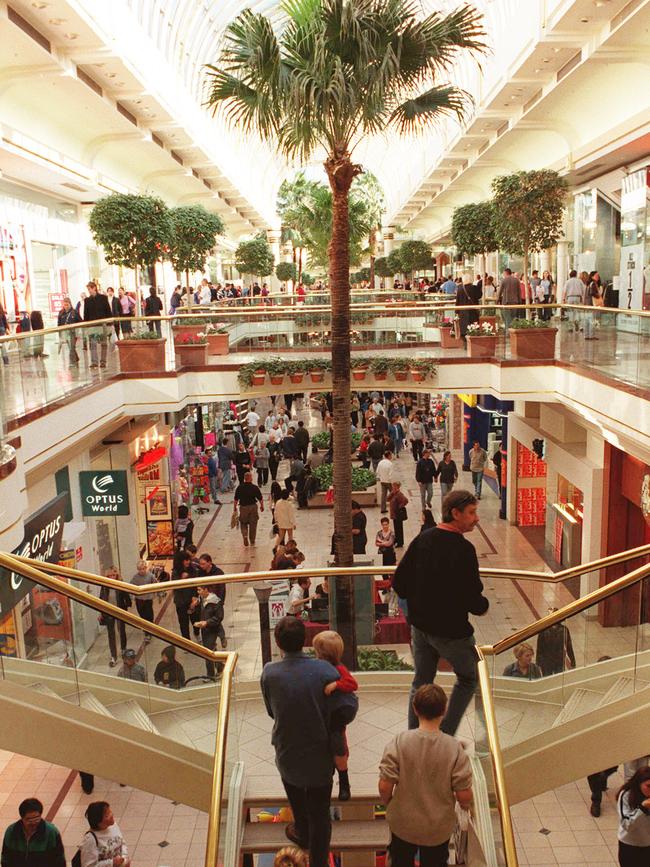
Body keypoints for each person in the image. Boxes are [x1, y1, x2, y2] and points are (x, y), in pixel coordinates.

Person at [260, 616, 355, 867]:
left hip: (287, 753)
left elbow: (272, 711)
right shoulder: (325, 671)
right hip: (320, 756)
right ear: (304, 641)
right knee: (320, 813)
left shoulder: (270, 673)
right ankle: (319, 861)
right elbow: (348, 706)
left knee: (298, 802)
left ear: (278, 642)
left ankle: (301, 829)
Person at [394, 490, 489, 733]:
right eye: (472, 513)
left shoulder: (424, 539)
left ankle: (415, 737)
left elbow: (400, 582)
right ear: (455, 513)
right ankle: (444, 736)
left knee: (421, 681)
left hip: (421, 628)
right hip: (451, 632)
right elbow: (472, 597)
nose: (476, 518)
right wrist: (482, 606)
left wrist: (420, 602)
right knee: (469, 678)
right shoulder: (463, 550)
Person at [379, 684, 473, 867]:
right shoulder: (453, 748)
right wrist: (466, 806)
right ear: (444, 711)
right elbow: (464, 794)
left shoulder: (400, 741)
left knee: (399, 861)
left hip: (403, 823)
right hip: (437, 828)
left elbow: (384, 786)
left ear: (415, 709)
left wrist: (389, 803)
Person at [313, 630, 359, 801]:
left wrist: (337, 684)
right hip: (325, 715)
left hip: (336, 717)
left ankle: (344, 781)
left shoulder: (339, 669)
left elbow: (352, 683)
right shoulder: (318, 668)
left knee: (338, 746)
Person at [1, 798, 65, 867]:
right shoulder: (11, 831)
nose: (33, 823)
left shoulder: (51, 832)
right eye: (29, 820)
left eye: (36, 818)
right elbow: (5, 859)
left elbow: (59, 861)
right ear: (22, 818)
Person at [617, 766, 650, 865]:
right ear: (639, 783)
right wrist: (642, 808)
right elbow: (627, 825)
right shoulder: (626, 795)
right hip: (630, 845)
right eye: (648, 786)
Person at [79, 801, 129, 867]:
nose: (111, 815)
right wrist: (112, 863)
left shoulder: (113, 826)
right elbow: (89, 865)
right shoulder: (90, 840)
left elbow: (121, 842)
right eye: (107, 815)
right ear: (99, 822)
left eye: (110, 811)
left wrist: (124, 858)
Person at [191, 585, 224, 679]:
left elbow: (219, 617)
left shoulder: (215, 601)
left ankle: (210, 674)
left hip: (212, 629)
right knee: (211, 649)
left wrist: (207, 622)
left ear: (206, 590)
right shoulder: (202, 599)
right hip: (204, 629)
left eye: (199, 590)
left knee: (207, 651)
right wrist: (194, 606)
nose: (198, 592)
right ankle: (220, 667)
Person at [100, 568, 131, 667]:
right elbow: (101, 599)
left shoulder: (120, 584)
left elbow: (126, 596)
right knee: (111, 634)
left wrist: (128, 605)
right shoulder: (104, 586)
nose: (112, 577)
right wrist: (101, 612)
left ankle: (123, 649)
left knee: (121, 630)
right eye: (109, 576)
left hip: (120, 610)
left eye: (113, 575)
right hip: (109, 612)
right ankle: (113, 656)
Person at [197, 553, 227, 648]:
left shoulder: (218, 573)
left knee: (216, 619)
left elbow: (222, 589)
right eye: (200, 564)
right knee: (210, 619)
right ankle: (217, 639)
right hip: (205, 600)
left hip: (216, 601)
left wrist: (220, 602)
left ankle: (220, 637)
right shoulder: (200, 573)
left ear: (209, 562)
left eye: (203, 564)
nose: (201, 566)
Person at [536, 611, 576, 675]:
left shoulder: (564, 630)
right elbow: (539, 648)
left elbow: (569, 646)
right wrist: (538, 663)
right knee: (547, 679)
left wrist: (572, 661)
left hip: (559, 659)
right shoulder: (543, 630)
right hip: (547, 660)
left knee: (559, 679)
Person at [171, 550, 197, 640]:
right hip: (181, 602)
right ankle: (186, 641)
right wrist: (182, 579)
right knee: (183, 623)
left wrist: (194, 598)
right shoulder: (175, 573)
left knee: (195, 620)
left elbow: (195, 585)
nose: (188, 562)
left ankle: (197, 633)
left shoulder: (192, 570)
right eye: (185, 560)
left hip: (192, 600)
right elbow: (175, 587)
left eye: (188, 560)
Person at [233, 471, 264, 546]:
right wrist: (261, 506)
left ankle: (245, 535)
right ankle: (252, 541)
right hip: (253, 507)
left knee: (243, 523)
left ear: (244, 478)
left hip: (243, 507)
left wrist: (234, 508)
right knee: (253, 524)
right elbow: (260, 498)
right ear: (250, 478)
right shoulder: (254, 487)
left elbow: (236, 499)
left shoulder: (240, 487)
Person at [130, 559, 155, 638]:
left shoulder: (150, 576)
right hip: (139, 599)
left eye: (143, 568)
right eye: (140, 569)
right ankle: (146, 629)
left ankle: (149, 632)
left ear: (146, 568)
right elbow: (131, 586)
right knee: (142, 614)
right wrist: (132, 596)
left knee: (149, 615)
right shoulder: (135, 577)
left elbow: (155, 584)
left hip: (148, 599)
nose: (142, 571)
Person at [496, 267, 521, 334]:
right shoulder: (516, 280)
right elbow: (519, 292)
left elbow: (500, 291)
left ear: (505, 273)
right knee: (513, 318)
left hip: (506, 302)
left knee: (507, 319)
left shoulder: (504, 280)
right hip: (515, 302)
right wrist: (520, 302)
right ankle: (513, 333)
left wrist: (497, 300)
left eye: (503, 273)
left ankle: (508, 332)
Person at [57, 297, 81, 365]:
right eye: (64, 305)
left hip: (73, 332)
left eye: (67, 304)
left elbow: (80, 321)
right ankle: (76, 358)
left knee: (71, 347)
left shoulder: (74, 312)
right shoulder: (61, 313)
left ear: (70, 304)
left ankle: (72, 361)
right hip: (65, 333)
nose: (66, 306)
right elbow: (59, 324)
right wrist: (60, 333)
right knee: (71, 347)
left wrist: (78, 330)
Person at [388, 481, 408, 549]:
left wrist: (399, 507)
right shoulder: (393, 493)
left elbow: (405, 500)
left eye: (394, 486)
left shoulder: (399, 494)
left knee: (399, 528)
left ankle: (400, 542)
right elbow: (387, 499)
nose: (393, 487)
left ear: (398, 487)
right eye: (393, 486)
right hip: (394, 514)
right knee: (396, 528)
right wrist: (391, 493)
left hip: (398, 514)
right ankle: (397, 540)